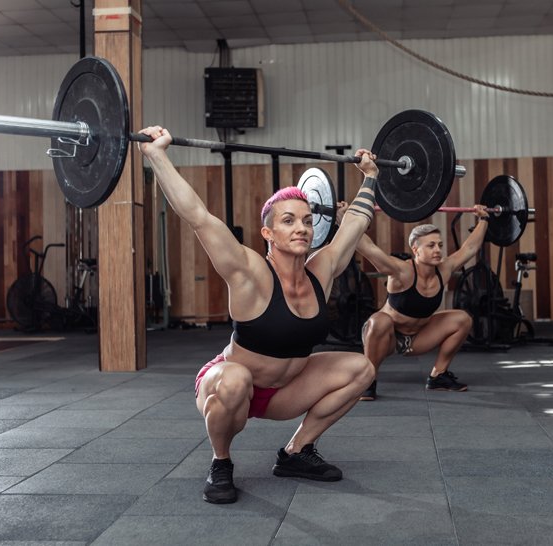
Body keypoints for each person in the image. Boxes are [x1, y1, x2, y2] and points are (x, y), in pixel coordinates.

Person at [137, 126, 378, 504]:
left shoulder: (322, 270)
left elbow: (355, 224)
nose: (300, 227)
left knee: (362, 369)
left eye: (306, 220)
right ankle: (221, 462)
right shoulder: (248, 271)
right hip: (231, 386)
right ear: (268, 232)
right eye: (288, 221)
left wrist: (371, 178)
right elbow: (198, 216)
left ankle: (296, 452)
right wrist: (157, 156)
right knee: (235, 380)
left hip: (284, 393)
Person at [355, 206, 491, 400]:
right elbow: (368, 247)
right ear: (415, 249)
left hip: (417, 339)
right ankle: (368, 380)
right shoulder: (401, 271)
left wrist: (483, 219)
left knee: (462, 319)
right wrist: (345, 219)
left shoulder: (443, 270)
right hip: (386, 338)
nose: (438, 250)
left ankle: (438, 376)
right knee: (379, 320)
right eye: (431, 245)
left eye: (439, 245)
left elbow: (470, 248)